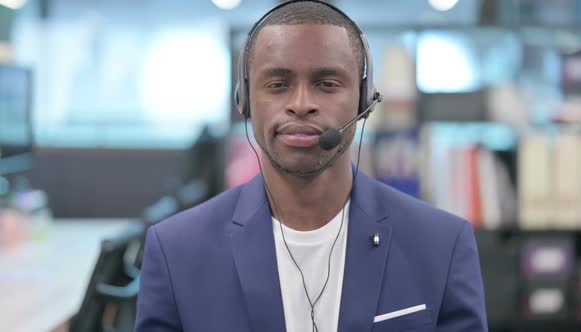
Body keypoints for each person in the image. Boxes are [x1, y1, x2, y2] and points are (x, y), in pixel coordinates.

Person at [135, 1, 488, 331]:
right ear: (244, 100)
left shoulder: (442, 245)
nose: (301, 104)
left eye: (326, 84)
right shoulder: (175, 251)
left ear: (364, 102)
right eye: (278, 84)